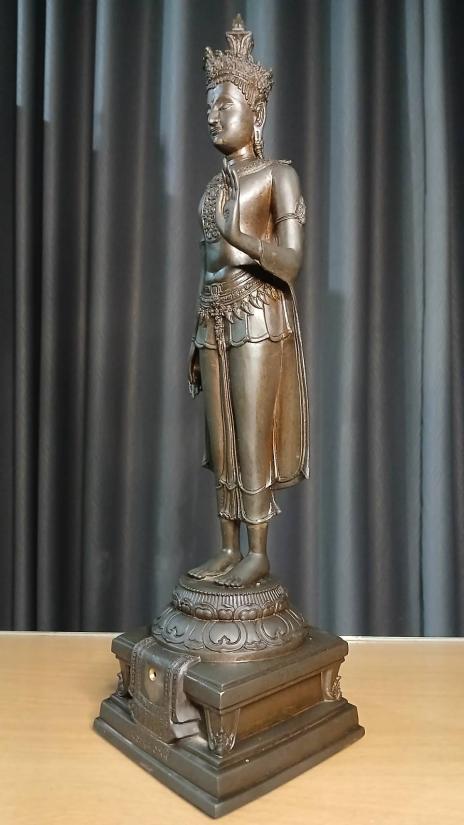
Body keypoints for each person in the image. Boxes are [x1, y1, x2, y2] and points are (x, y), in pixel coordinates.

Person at [187, 15, 309, 588]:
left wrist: (240, 236)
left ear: (255, 113)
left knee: (253, 434)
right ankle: (227, 545)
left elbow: (291, 262)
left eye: (225, 105)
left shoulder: (277, 176)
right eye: (209, 106)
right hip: (213, 316)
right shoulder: (213, 186)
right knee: (222, 438)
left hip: (259, 313)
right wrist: (194, 335)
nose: (213, 115)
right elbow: (205, 266)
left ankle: (257, 550)